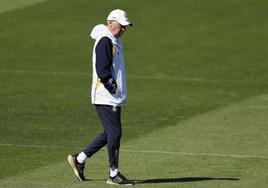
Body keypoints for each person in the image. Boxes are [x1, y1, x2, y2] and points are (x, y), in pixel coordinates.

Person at [67, 9, 134, 186]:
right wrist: (114, 89)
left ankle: (79, 159)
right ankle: (114, 173)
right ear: (110, 22)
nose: (123, 30)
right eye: (121, 26)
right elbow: (102, 70)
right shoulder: (105, 40)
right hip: (106, 95)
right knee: (115, 132)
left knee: (110, 132)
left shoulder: (113, 39)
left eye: (125, 27)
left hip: (110, 96)